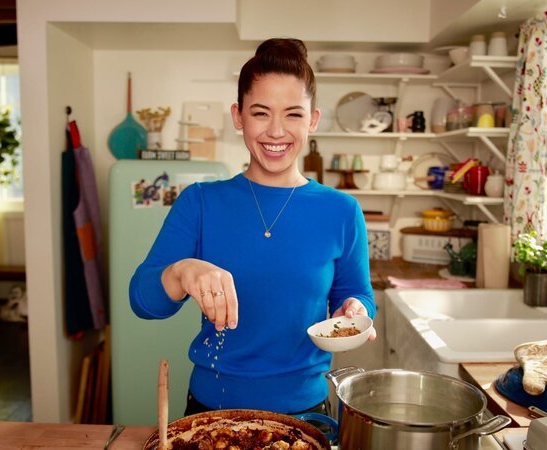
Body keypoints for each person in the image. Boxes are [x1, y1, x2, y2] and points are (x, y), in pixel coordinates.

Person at [129, 37, 375, 416]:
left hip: (308, 412)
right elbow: (142, 301)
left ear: (313, 120)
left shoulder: (341, 210)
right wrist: (182, 272)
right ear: (238, 116)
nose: (276, 131)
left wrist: (356, 310)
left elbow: (357, 294)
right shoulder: (200, 202)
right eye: (260, 113)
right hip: (212, 409)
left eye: (293, 114)